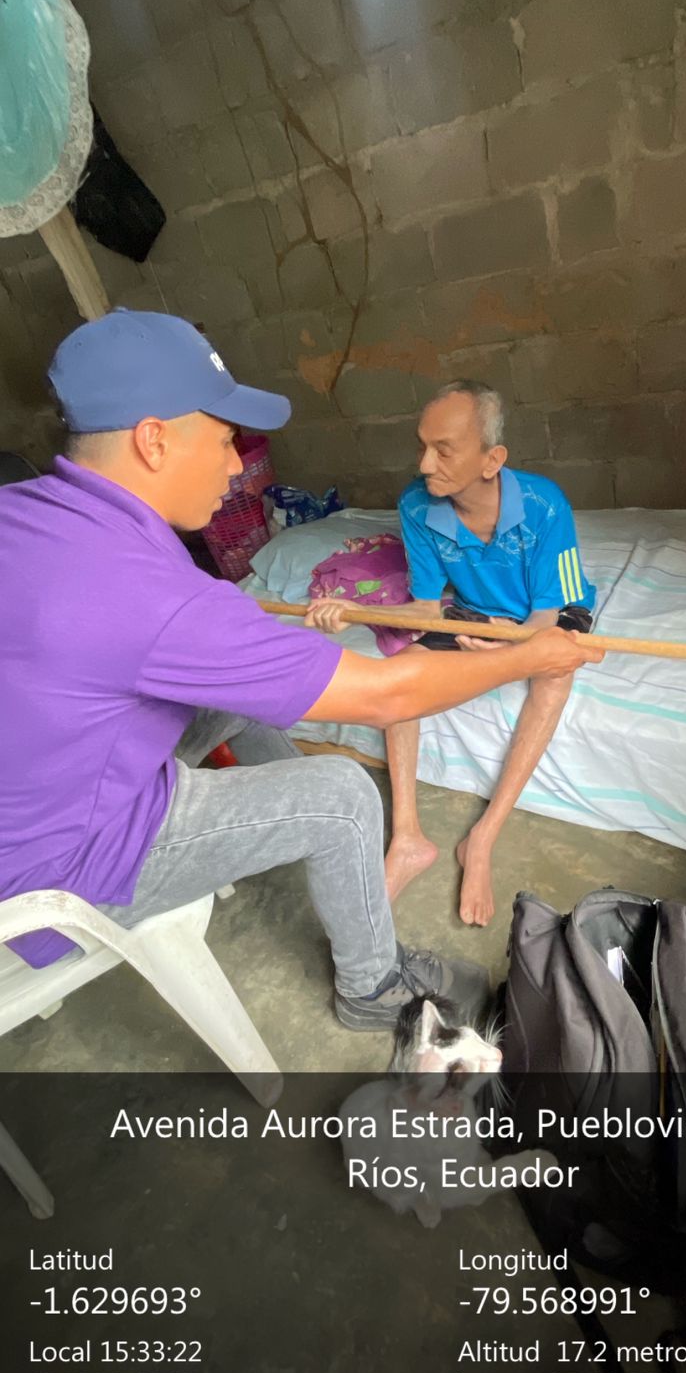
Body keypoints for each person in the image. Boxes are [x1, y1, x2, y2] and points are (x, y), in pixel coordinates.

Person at [0, 313, 595, 1032]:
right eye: (226, 440)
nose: (237, 468)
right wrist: (525, 657)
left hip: (39, 789)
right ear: (153, 440)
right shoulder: (155, 597)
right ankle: (372, 989)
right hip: (56, 870)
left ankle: (310, 839)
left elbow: (157, 626)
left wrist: (523, 643)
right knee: (342, 797)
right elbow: (385, 694)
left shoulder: (21, 509)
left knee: (242, 705)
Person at [308, 381, 597, 929]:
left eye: (444, 450)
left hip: (548, 612)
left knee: (555, 675)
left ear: (492, 460)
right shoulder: (416, 506)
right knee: (400, 676)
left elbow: (545, 617)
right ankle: (408, 838)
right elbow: (424, 608)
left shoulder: (543, 505)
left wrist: (510, 647)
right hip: (472, 612)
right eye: (422, 446)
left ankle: (482, 837)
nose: (424, 465)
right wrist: (351, 610)